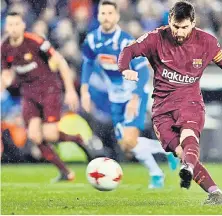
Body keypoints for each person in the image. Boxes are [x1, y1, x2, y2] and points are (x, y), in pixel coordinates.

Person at [118, 1, 222, 204]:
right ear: (169, 21)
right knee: (181, 152)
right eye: (176, 27)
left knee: (188, 135)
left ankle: (189, 168)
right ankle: (215, 193)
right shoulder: (156, 38)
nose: (180, 32)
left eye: (184, 27)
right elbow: (128, 51)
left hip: (189, 101)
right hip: (162, 107)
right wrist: (125, 69)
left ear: (193, 23)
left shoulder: (206, 42)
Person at [80, 0, 179, 189]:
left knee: (129, 140)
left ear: (117, 16)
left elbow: (142, 71)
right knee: (126, 146)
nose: (106, 17)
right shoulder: (92, 40)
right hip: (115, 99)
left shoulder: (125, 42)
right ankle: (166, 150)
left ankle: (156, 174)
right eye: (103, 13)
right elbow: (87, 64)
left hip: (134, 96)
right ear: (98, 16)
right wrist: (84, 91)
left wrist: (135, 97)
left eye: (110, 13)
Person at [1, 11, 91, 182]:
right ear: (6, 26)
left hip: (49, 89)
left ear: (23, 26)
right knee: (35, 136)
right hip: (28, 93)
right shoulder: (4, 47)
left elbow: (60, 62)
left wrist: (70, 90)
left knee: (49, 135)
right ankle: (66, 172)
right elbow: (6, 74)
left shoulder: (35, 41)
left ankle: (77, 139)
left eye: (16, 24)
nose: (12, 28)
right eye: (9, 24)